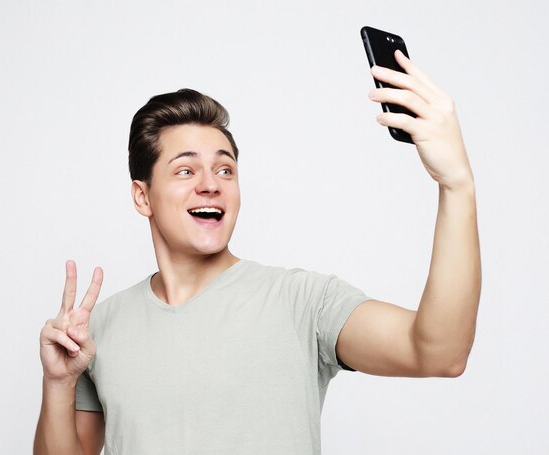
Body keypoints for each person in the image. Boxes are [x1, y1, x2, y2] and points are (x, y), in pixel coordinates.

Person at [34, 50, 481, 455]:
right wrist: (59, 384)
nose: (210, 183)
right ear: (142, 197)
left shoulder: (304, 302)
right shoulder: (98, 330)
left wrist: (456, 184)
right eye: (186, 169)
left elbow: (439, 352)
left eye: (225, 168)